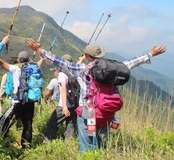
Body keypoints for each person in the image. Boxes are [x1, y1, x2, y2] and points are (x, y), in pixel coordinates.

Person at [26, 38, 166, 151]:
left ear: (87, 56)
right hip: (106, 114)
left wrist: (39, 49)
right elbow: (132, 62)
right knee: (101, 141)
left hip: (89, 114)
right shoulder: (114, 69)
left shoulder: (84, 69)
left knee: (87, 143)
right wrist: (150, 54)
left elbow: (60, 61)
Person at [0, 50, 44, 149]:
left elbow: (0, 62)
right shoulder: (35, 68)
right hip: (30, 102)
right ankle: (26, 147)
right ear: (29, 59)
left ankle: (2, 141)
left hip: (18, 102)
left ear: (18, 59)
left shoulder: (16, 69)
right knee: (27, 124)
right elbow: (41, 61)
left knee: (3, 121)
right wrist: (42, 56)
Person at [44, 54, 78, 141]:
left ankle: (47, 142)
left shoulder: (62, 74)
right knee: (71, 125)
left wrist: (64, 106)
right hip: (74, 104)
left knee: (52, 123)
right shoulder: (75, 73)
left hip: (64, 104)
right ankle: (68, 143)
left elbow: (63, 88)